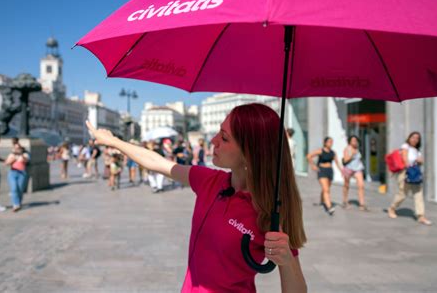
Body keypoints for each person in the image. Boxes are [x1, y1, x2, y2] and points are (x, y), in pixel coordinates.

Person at [86, 103, 307, 292]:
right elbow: (158, 163)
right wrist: (114, 142)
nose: (213, 140)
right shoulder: (210, 181)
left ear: (250, 151)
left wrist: (286, 259)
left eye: (224, 137)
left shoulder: (270, 210)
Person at [387, 132, 432, 226]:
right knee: (402, 194)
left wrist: (419, 162)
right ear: (409, 138)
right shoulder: (405, 146)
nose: (415, 139)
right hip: (405, 172)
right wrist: (412, 166)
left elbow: (420, 161)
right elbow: (405, 159)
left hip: (415, 172)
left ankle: (421, 216)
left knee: (418, 194)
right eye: (413, 137)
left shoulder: (417, 150)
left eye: (417, 138)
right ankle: (392, 208)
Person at [307, 137, 343, 215]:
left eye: (332, 142)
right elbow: (309, 156)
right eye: (329, 142)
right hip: (322, 170)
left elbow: (337, 162)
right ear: (325, 143)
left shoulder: (333, 152)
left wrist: (341, 171)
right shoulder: (320, 151)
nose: (331, 143)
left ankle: (322, 201)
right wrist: (313, 165)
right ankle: (329, 207)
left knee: (325, 188)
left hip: (330, 171)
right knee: (326, 189)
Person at [342, 136, 368, 211]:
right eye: (353, 140)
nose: (354, 142)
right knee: (346, 185)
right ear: (349, 141)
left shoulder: (357, 148)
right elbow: (345, 160)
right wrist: (352, 155)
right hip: (348, 168)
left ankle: (362, 204)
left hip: (358, 169)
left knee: (361, 185)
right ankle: (345, 201)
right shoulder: (347, 149)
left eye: (355, 140)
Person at [5, 141, 29, 211]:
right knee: (14, 188)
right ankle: (16, 204)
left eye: (18, 148)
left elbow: (26, 161)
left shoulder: (25, 155)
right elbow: (6, 163)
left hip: (22, 173)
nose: (17, 149)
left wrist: (21, 155)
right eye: (15, 148)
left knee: (20, 189)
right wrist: (13, 158)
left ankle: (19, 202)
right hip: (13, 172)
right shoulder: (11, 155)